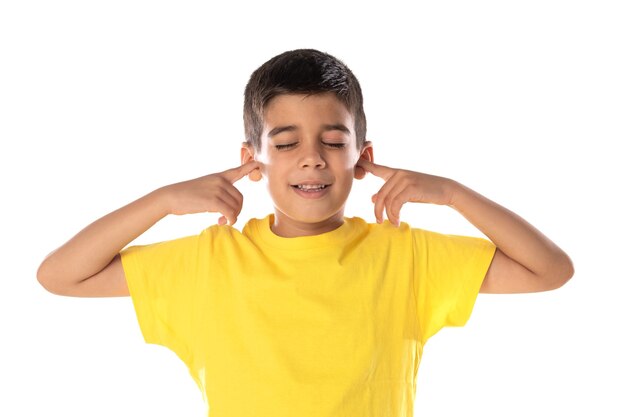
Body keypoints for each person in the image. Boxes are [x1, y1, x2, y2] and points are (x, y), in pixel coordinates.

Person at [37, 49, 574, 416]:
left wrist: (453, 193)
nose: (312, 159)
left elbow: (550, 270)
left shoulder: (405, 253)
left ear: (362, 158)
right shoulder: (211, 260)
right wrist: (162, 201)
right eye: (287, 142)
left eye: (333, 141)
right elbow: (59, 275)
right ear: (252, 161)